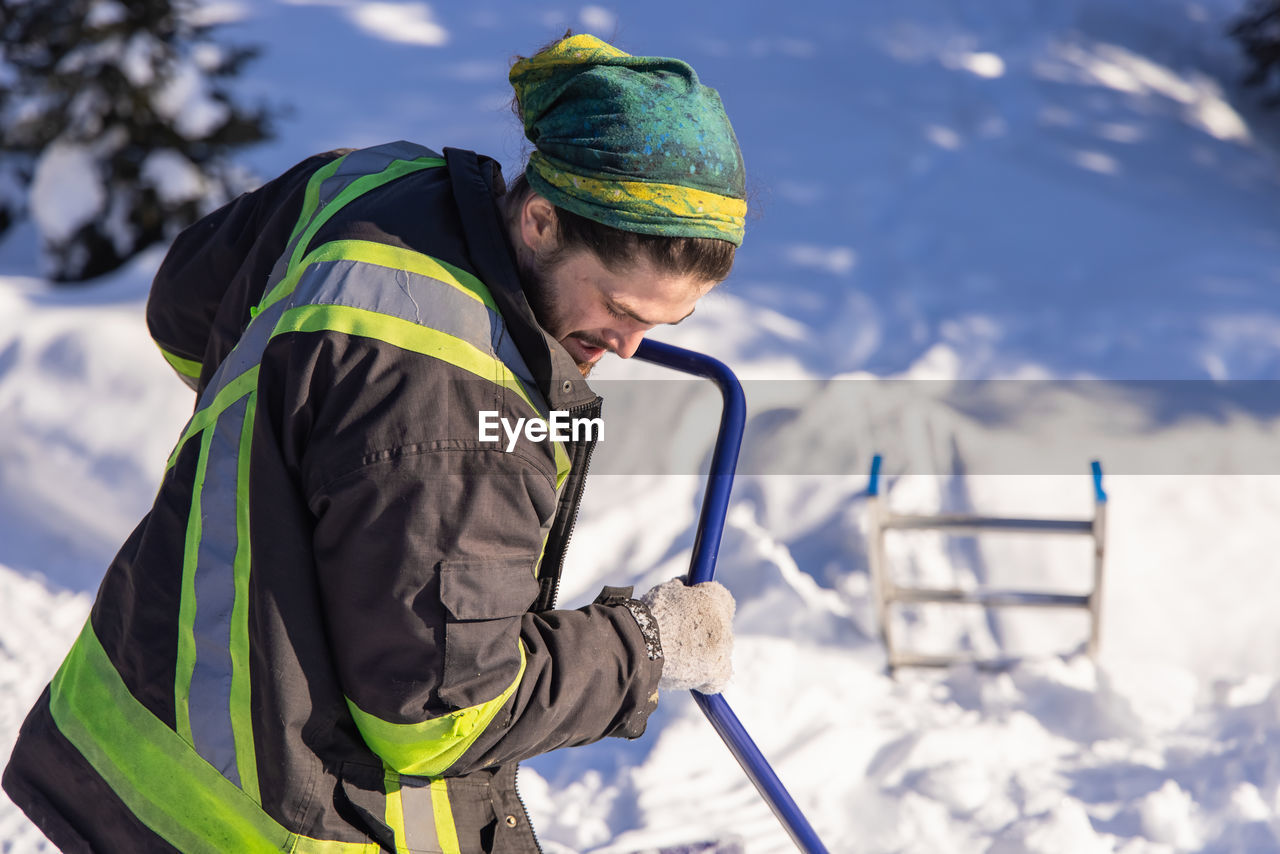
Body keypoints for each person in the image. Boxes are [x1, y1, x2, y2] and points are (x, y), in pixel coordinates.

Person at [2, 33, 745, 854]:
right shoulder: (463, 411)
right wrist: (647, 645)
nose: (631, 347)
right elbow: (442, 715)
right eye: (621, 309)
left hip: (132, 734)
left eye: (663, 323)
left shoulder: (371, 183)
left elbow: (184, 310)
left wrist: (293, 447)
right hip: (268, 822)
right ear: (540, 221)